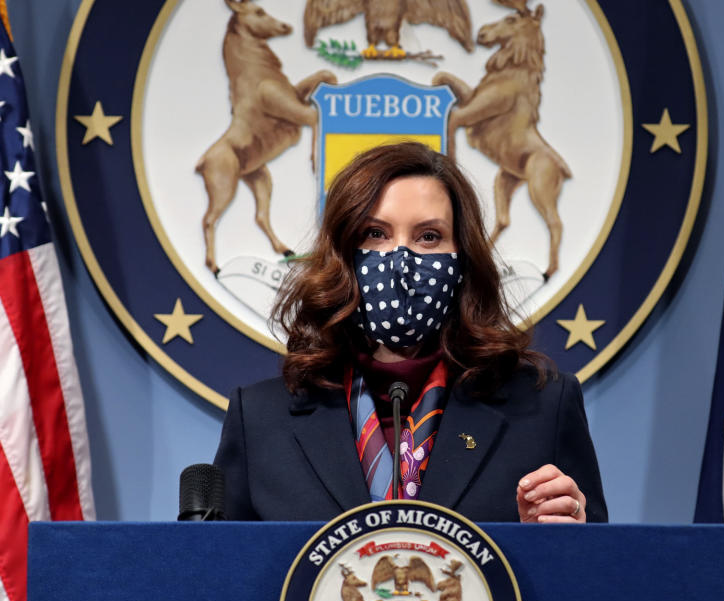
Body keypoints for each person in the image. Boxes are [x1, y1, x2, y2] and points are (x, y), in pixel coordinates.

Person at [213, 141, 607, 523]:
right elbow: (227, 576)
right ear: (341, 255)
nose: (401, 260)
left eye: (428, 236)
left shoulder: (543, 409)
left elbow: (600, 580)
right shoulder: (261, 419)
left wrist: (566, 546)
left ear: (464, 260)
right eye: (375, 234)